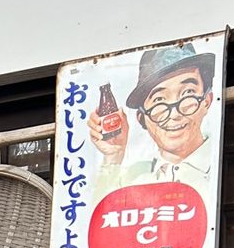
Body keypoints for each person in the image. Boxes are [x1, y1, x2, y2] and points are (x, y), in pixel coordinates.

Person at [88, 41, 217, 197]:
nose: (175, 114)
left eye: (188, 93)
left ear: (207, 101)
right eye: (159, 100)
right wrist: (113, 155)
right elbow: (101, 216)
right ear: (141, 118)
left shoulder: (219, 161)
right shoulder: (133, 178)